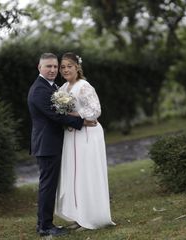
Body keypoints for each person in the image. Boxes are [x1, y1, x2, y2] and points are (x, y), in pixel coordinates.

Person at [27, 53, 96, 237]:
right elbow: (55, 115)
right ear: (39, 67)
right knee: (47, 186)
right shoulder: (40, 90)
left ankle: (44, 223)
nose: (52, 70)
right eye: (48, 66)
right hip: (47, 145)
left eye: (55, 67)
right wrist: (82, 122)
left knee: (49, 185)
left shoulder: (52, 86)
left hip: (51, 143)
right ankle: (45, 227)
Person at [55, 52, 115, 230]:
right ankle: (78, 216)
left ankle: (92, 217)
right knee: (74, 175)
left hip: (88, 135)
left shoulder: (84, 86)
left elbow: (95, 111)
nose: (65, 70)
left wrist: (77, 115)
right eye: (63, 67)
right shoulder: (62, 89)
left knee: (87, 174)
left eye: (69, 66)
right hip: (71, 135)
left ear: (77, 67)